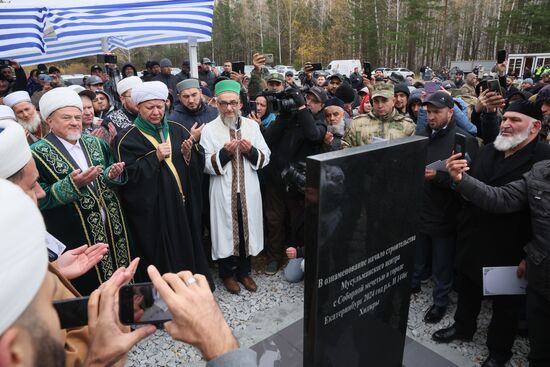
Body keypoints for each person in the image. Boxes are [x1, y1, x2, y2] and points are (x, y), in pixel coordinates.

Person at [433, 100, 550, 367]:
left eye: (515, 120)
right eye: (505, 118)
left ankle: (498, 352)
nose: (506, 124)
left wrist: (529, 253)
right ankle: (463, 327)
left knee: (505, 306)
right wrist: (455, 178)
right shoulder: (492, 149)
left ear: (535, 127)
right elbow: (471, 183)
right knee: (468, 288)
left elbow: (542, 217)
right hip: (473, 235)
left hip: (511, 245)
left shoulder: (543, 159)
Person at [31, 87, 131, 295]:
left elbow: (107, 176)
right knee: (89, 287)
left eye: (77, 117)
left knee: (121, 278)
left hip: (112, 227)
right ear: (49, 120)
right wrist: (71, 186)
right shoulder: (36, 153)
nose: (75, 122)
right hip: (75, 234)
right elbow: (36, 198)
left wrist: (112, 176)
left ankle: (125, 318)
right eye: (67, 117)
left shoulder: (95, 143)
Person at [114, 81, 212, 286]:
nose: (156, 112)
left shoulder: (177, 129)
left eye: (160, 106)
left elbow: (195, 165)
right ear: (138, 107)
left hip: (183, 206)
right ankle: (167, 293)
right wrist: (154, 158)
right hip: (156, 213)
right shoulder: (127, 138)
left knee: (189, 245)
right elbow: (128, 178)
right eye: (150, 107)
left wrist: (188, 155)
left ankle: (194, 287)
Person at [411, 91, 478, 324]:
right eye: (428, 112)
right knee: (418, 254)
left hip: (445, 214)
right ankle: (414, 283)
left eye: (436, 112)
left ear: (451, 112)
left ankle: (440, 302)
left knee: (442, 263)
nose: (431, 117)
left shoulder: (462, 141)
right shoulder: (420, 135)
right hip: (420, 209)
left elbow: (467, 183)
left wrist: (438, 177)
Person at [200, 80, 270, 294]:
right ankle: (227, 274)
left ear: (240, 103)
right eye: (223, 104)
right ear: (216, 104)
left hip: (248, 190)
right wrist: (225, 153)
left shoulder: (252, 126)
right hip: (222, 191)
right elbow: (205, 164)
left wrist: (250, 151)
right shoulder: (209, 130)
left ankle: (244, 272)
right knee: (225, 230)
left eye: (233, 103)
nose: (229, 108)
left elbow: (266, 156)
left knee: (245, 228)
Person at [342, 83, 415, 147]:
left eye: (384, 100)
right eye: (376, 101)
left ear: (393, 101)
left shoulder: (408, 126)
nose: (380, 105)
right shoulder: (357, 123)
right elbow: (346, 148)